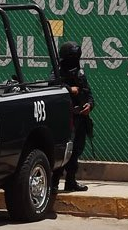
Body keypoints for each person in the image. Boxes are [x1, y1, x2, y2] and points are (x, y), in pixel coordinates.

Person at [51, 41, 95, 192]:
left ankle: (71, 181)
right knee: (64, 150)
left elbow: (88, 92)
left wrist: (89, 105)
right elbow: (52, 85)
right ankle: (53, 183)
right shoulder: (58, 71)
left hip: (81, 117)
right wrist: (69, 89)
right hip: (66, 117)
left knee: (76, 150)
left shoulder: (79, 72)